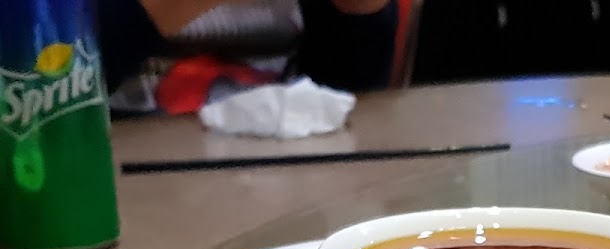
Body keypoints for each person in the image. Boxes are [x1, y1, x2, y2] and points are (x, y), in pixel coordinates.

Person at [97, 0, 402, 115]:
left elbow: (347, 99)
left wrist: (360, 12)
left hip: (283, 151)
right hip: (119, 152)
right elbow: (77, 76)